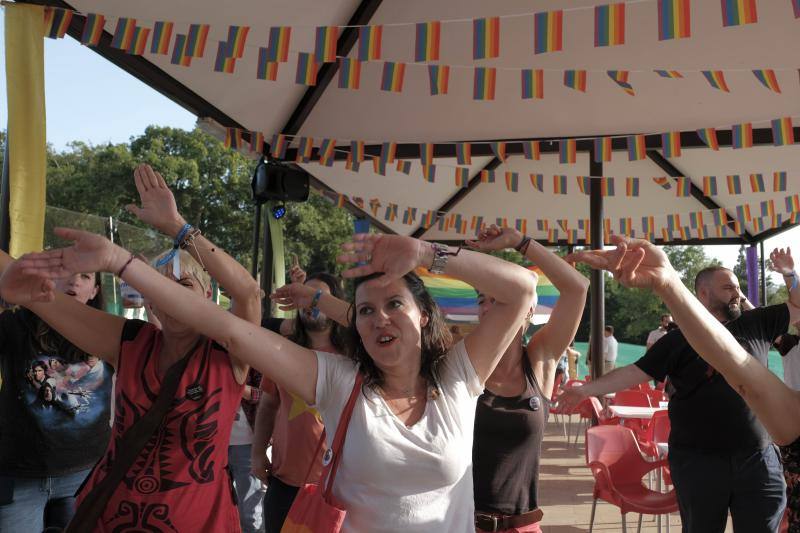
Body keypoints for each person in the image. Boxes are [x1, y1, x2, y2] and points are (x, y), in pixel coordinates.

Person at [16, 226, 536, 532]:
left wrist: (427, 253)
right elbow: (229, 326)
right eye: (364, 310)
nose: (379, 318)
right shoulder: (337, 379)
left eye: (394, 304)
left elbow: (521, 290)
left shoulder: (457, 380)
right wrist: (121, 262)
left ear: (424, 315)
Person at [2, 164, 261, 531]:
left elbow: (248, 292)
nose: (171, 298)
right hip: (111, 517)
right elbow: (33, 296)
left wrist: (177, 226)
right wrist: (20, 289)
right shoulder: (131, 342)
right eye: (160, 287)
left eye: (184, 286)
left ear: (207, 296)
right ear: (150, 301)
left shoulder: (230, 354)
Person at [563, 238, 800, 533]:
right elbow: (636, 372)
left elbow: (797, 306)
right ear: (703, 293)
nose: (737, 293)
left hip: (758, 459)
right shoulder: (676, 339)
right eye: (728, 288)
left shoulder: (757, 322)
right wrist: (584, 390)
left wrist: (790, 274)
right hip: (698, 461)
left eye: (738, 286)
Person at [466, 225, 589, 532]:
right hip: (459, 521)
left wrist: (520, 242)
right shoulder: (458, 362)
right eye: (483, 299)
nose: (489, 307)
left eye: (501, 299)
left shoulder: (539, 359)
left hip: (523, 525)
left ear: (529, 310)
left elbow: (577, 288)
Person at [0, 260, 110, 532]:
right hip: (20, 476)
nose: (74, 281)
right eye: (66, 273)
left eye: (84, 276)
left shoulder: (108, 332)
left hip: (85, 474)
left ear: (94, 290)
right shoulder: (17, 324)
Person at [253, 271, 348, 533]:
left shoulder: (355, 354)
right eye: (304, 298)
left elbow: (365, 319)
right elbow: (269, 404)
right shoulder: (282, 349)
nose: (310, 304)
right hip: (283, 484)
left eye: (318, 299)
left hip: (335, 489)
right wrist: (258, 452)